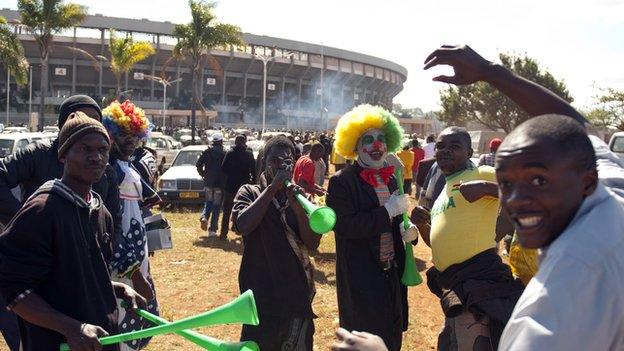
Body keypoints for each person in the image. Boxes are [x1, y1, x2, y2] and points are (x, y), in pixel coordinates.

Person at [423, 44, 624, 350]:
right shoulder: (608, 191)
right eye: (507, 183)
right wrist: (489, 72)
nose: (516, 199)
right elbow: (579, 128)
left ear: (585, 179)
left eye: (538, 180)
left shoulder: (559, 300)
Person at [0, 112, 146, 351]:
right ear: (63, 155)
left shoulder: (101, 212)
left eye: (102, 150)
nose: (96, 157)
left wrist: (115, 287)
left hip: (101, 341)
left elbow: (73, 278)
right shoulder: (42, 211)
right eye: (85, 149)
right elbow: (15, 292)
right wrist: (72, 329)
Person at [410, 126, 524, 350]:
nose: (445, 151)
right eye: (441, 146)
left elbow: (528, 192)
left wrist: (487, 188)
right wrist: (423, 224)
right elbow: (437, 243)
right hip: (454, 289)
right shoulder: (445, 190)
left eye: (454, 146)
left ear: (469, 153)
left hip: (478, 283)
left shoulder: (481, 173)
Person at [326, 104, 418, 351]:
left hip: (392, 275)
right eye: (368, 139)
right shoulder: (340, 183)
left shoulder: (390, 178)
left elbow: (398, 222)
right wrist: (387, 211)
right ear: (355, 146)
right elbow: (345, 226)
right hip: (362, 276)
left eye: (381, 139)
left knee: (392, 335)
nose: (376, 146)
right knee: (364, 338)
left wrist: (408, 232)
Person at [232, 136, 320, 350]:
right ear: (264, 162)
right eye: (275, 161)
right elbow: (243, 225)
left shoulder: (300, 198)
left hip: (295, 298)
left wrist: (299, 208)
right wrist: (272, 188)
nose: (281, 166)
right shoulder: (249, 192)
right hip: (260, 299)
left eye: (287, 161)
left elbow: (313, 244)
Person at [102, 100, 160, 351]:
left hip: (137, 252)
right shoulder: (108, 170)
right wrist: (135, 273)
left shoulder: (127, 164)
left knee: (140, 318)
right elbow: (112, 228)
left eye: (135, 135)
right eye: (123, 135)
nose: (131, 141)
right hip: (123, 259)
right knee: (125, 314)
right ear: (111, 135)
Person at [220, 134, 256, 240]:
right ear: (245, 142)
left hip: (230, 185)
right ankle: (240, 230)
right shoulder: (248, 154)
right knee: (243, 210)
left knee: (227, 211)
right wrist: (252, 182)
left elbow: (223, 169)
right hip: (243, 187)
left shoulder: (230, 153)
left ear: (235, 142)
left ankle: (223, 233)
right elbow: (253, 170)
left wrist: (231, 175)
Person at [196, 132, 226, 236]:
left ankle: (204, 217)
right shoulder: (224, 152)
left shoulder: (206, 152)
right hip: (219, 184)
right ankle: (212, 230)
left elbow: (198, 165)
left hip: (209, 182)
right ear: (221, 141)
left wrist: (204, 175)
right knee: (217, 206)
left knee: (208, 202)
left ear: (213, 141)